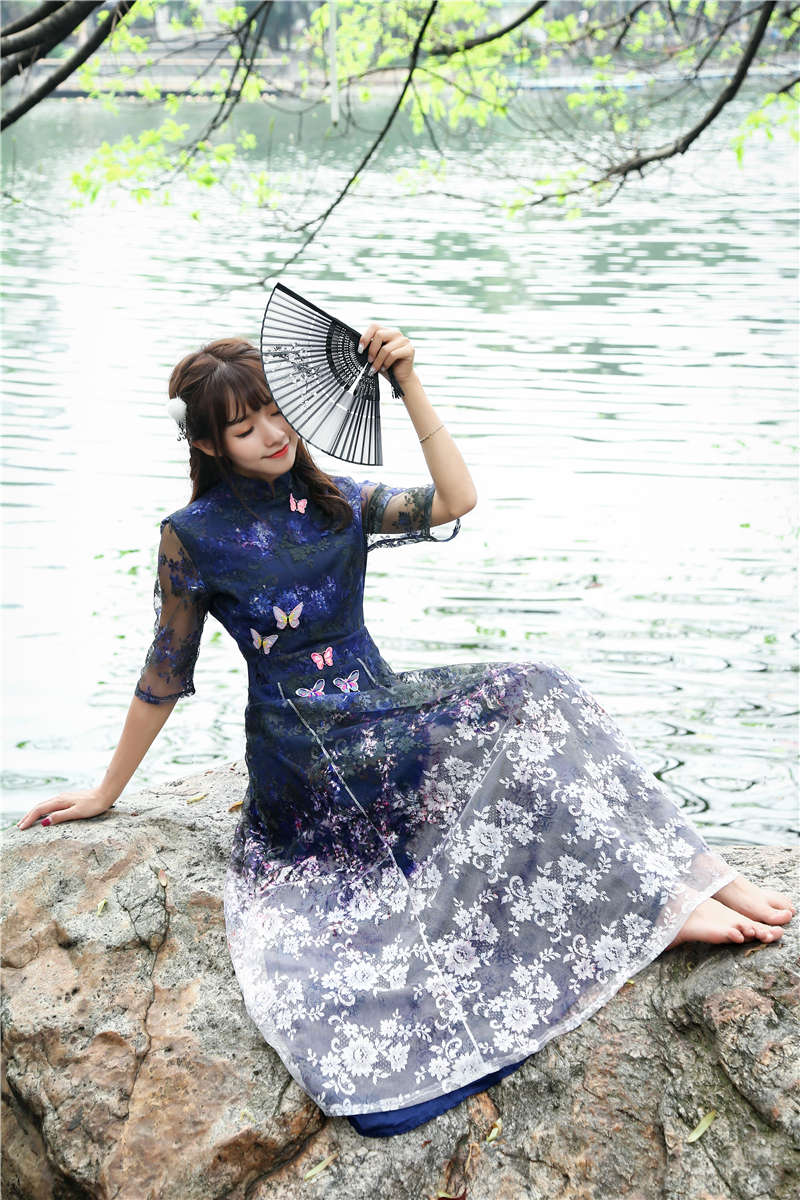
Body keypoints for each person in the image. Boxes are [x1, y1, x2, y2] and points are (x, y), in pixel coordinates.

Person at [16, 325, 795, 1140]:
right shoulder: (194, 535)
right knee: (510, 747)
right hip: (307, 752)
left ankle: (698, 874)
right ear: (210, 444)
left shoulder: (335, 500)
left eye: (277, 411)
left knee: (541, 687)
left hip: (382, 706)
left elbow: (457, 500)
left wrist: (408, 383)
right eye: (246, 428)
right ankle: (659, 909)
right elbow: (165, 670)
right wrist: (107, 792)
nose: (274, 434)